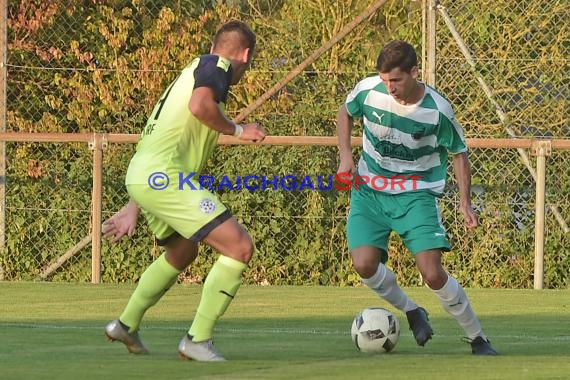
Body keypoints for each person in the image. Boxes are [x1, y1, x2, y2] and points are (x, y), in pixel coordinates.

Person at [102, 20, 266, 362]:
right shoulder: (216, 66)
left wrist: (134, 203)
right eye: (248, 65)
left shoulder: (189, 72)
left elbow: (161, 143)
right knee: (239, 246)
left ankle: (126, 324)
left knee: (182, 253)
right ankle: (197, 340)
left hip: (145, 175)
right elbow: (200, 107)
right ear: (246, 55)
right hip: (164, 177)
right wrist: (238, 130)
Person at [335, 40, 497, 355]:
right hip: (369, 191)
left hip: (416, 195)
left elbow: (459, 153)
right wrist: (345, 155)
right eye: (385, 80)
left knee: (432, 273)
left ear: (414, 71)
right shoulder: (370, 91)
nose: (390, 87)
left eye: (396, 80)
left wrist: (465, 202)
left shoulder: (438, 110)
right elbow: (345, 111)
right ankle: (411, 310)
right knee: (364, 264)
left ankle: (478, 338)